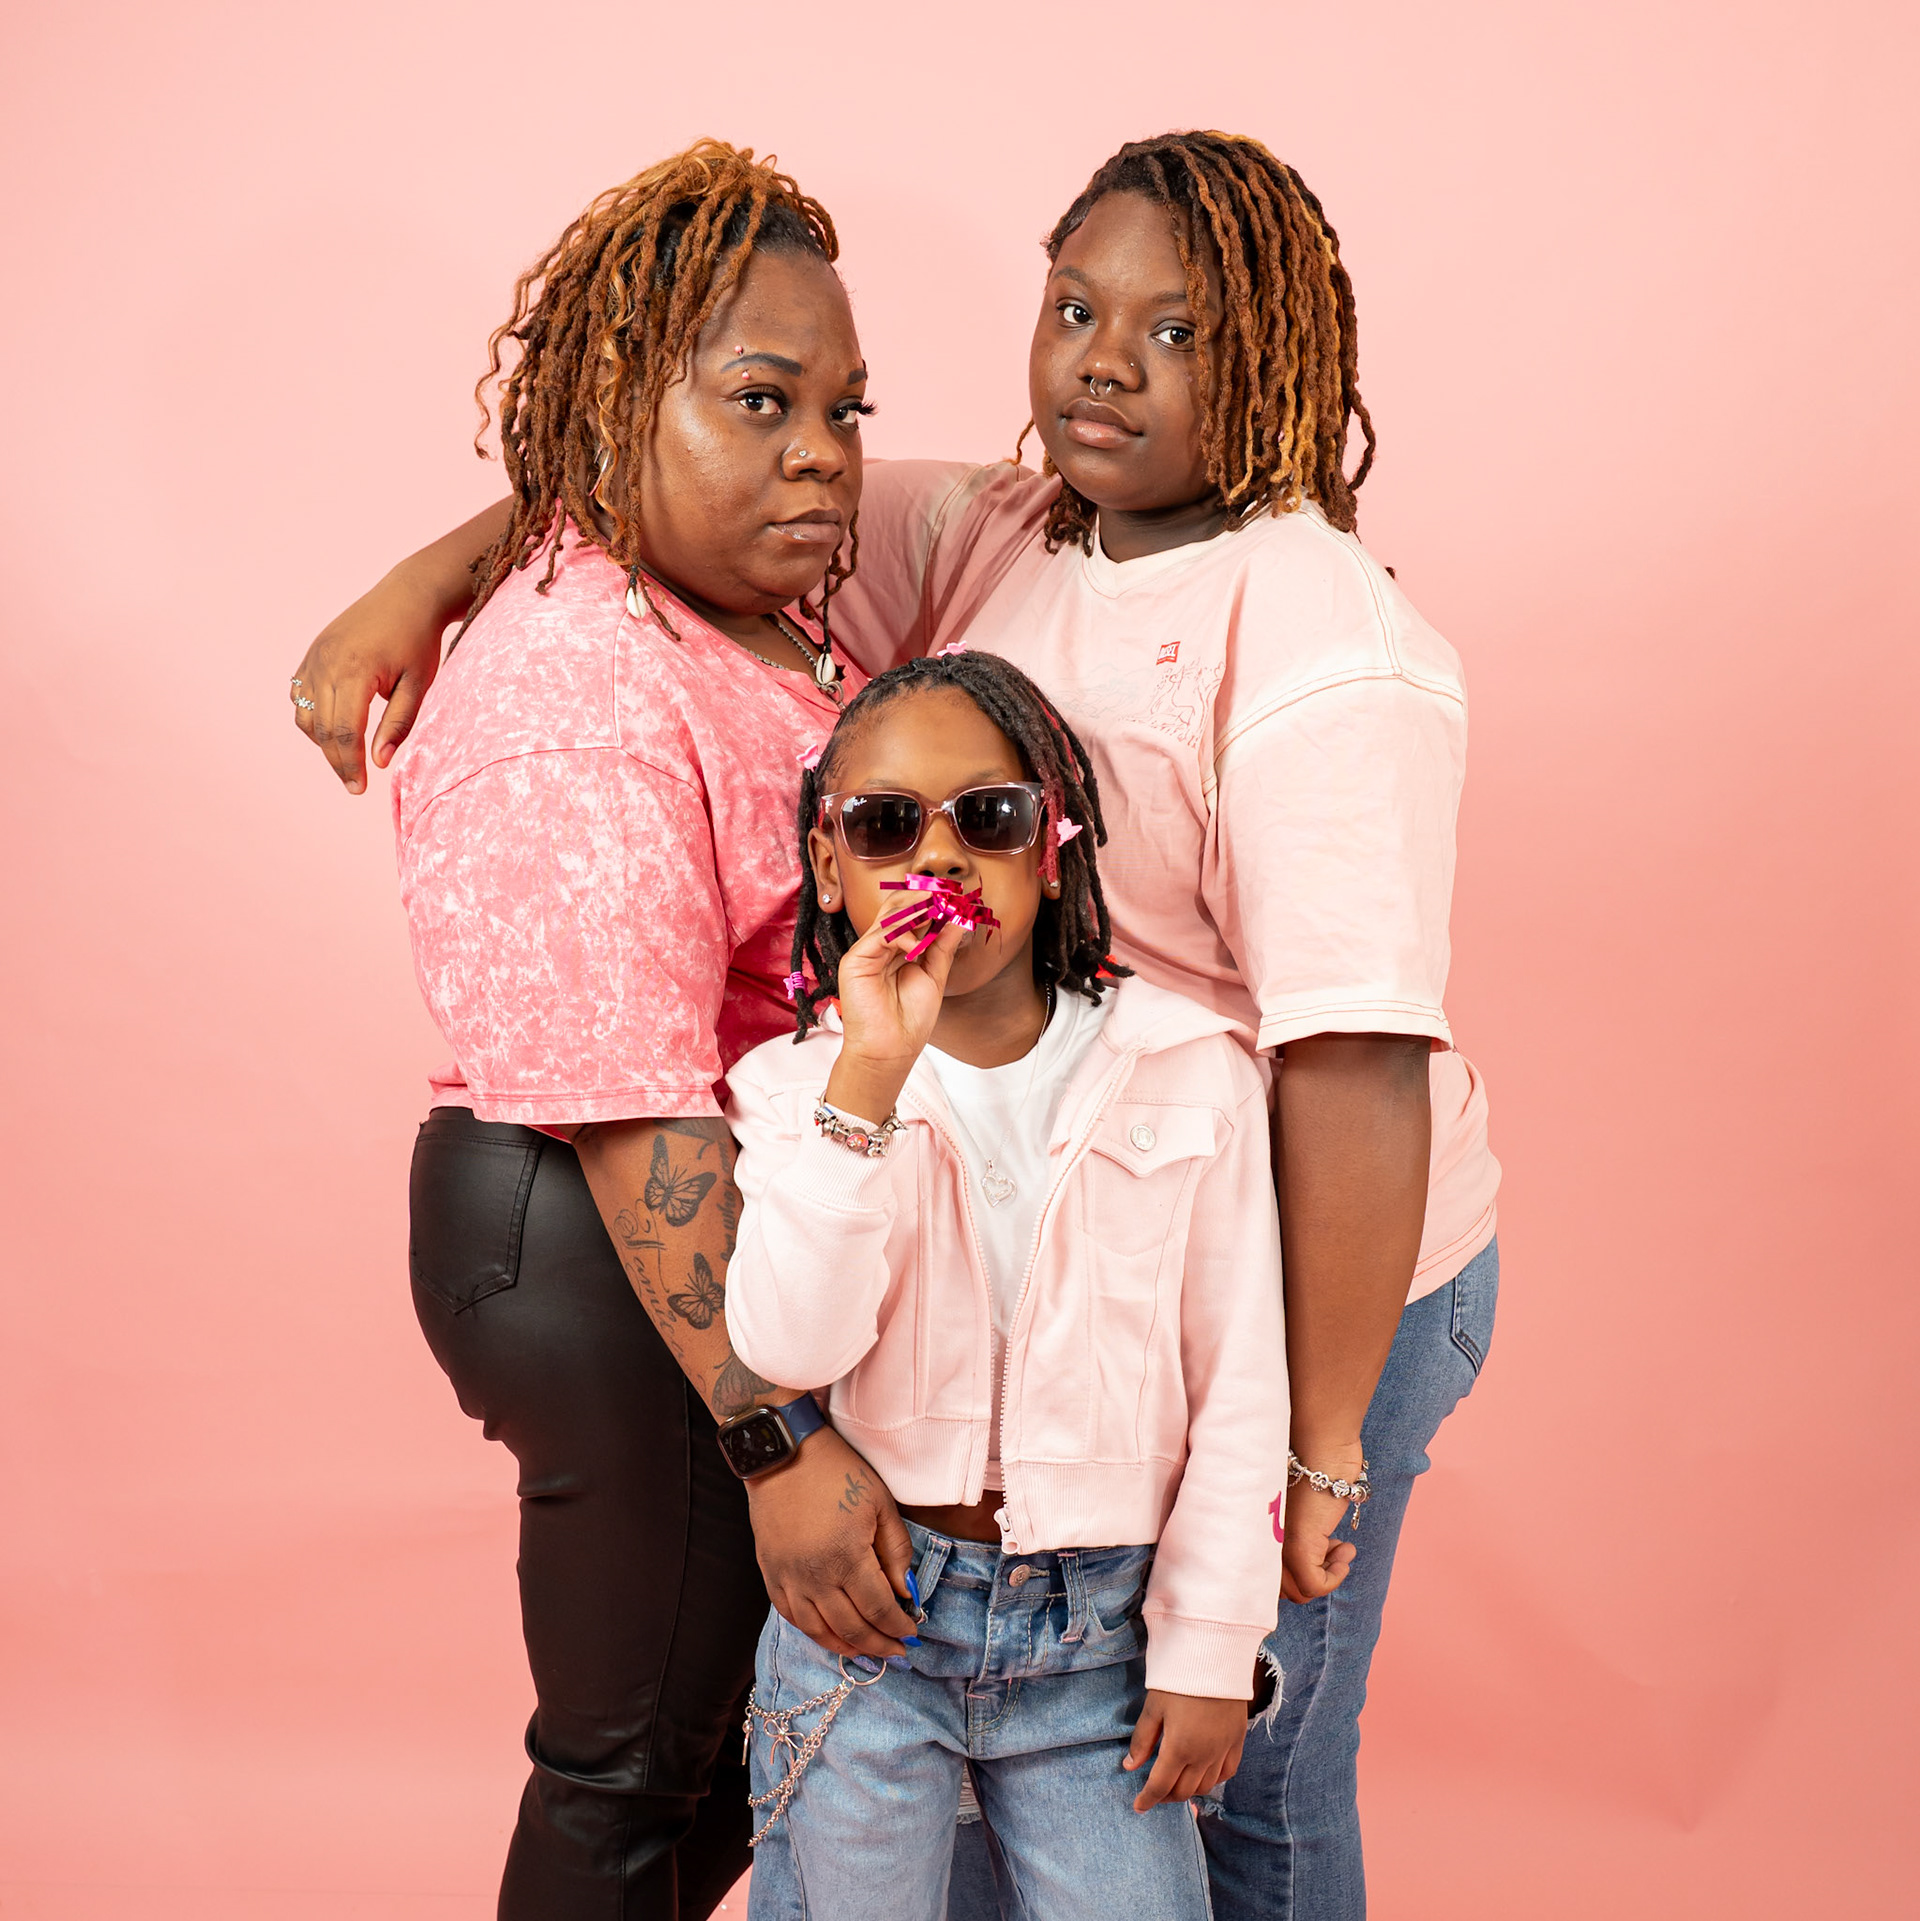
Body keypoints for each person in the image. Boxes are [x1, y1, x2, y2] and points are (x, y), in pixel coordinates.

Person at [293, 129, 1500, 1921]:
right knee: (959, 1758)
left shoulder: (1319, 631)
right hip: (1039, 1229)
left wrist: (1318, 1449)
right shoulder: (1008, 533)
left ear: (1275, 359)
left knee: (1238, 1765)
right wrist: (442, 567)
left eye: (1177, 331)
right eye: (1076, 309)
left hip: (1301, 1264)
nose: (1106, 362)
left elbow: (1356, 1056)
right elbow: (681, 462)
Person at [370, 141, 924, 1921]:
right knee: (631, 1766)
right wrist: (778, 1443)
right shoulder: (579, 684)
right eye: (763, 401)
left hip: (669, 1226)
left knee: (725, 1756)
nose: (822, 453)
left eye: (842, 408)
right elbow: (631, 1108)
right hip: (598, 1226)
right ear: (622, 396)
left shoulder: (713, 595)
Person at [724, 648, 1285, 1921]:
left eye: (989, 815)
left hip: (1105, 1645)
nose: (941, 855)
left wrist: (1212, 1645)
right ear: (829, 865)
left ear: (1052, 847)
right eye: (885, 825)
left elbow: (1243, 1379)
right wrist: (869, 1080)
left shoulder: (1189, 1069)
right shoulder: (792, 1092)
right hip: (870, 1634)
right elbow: (788, 1346)